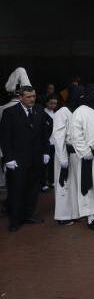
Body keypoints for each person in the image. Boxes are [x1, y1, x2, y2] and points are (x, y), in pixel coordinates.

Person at [0, 86, 50, 232]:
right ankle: (15, 220)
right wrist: (8, 158)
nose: (32, 99)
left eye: (33, 96)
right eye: (28, 97)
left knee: (33, 189)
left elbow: (44, 133)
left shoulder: (39, 111)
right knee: (16, 190)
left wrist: (46, 152)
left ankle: (28, 215)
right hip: (17, 160)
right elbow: (5, 137)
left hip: (35, 159)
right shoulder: (10, 113)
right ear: (20, 97)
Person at [71, 84, 94, 230]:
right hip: (89, 156)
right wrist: (85, 152)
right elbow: (76, 135)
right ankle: (90, 216)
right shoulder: (80, 111)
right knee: (89, 186)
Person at [52, 84, 82, 225]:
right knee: (64, 185)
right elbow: (58, 137)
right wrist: (63, 158)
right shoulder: (62, 112)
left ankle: (73, 212)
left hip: (74, 154)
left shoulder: (76, 111)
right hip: (64, 154)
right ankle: (63, 216)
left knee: (73, 185)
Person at [43, 95, 58, 190]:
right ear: (46, 103)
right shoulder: (42, 113)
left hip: (54, 143)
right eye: (51, 103)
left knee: (53, 164)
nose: (53, 105)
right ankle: (44, 182)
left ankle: (52, 181)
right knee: (44, 164)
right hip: (45, 143)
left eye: (55, 103)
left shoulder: (57, 114)